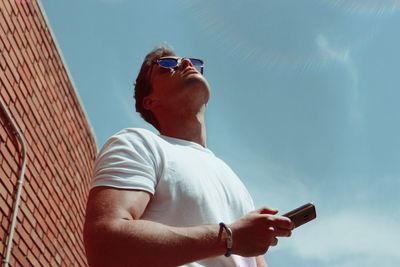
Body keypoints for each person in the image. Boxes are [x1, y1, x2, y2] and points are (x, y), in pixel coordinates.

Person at [83, 46, 293, 267]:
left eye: (189, 61)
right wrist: (228, 237)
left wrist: (246, 236)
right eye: (167, 66)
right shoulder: (139, 144)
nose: (186, 64)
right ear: (150, 101)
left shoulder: (233, 180)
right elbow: (105, 245)